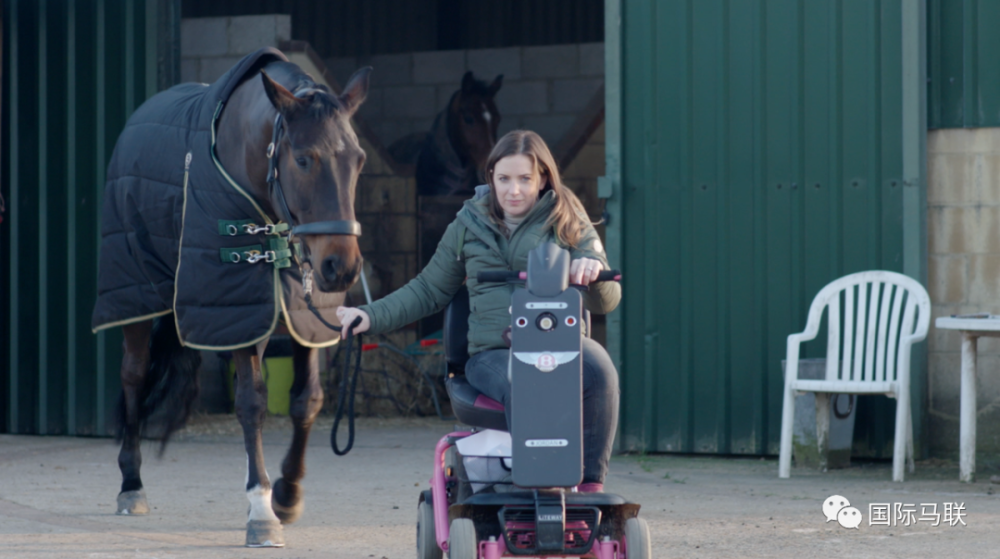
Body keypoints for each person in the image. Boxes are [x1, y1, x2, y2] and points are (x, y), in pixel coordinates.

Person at [336, 130, 621, 492]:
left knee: (601, 372)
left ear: (543, 178)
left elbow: (606, 300)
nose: (513, 191)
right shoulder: (467, 224)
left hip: (560, 344)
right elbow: (428, 289)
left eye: (524, 179)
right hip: (494, 354)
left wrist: (591, 271)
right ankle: (538, 483)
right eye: (503, 179)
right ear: (491, 178)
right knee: (526, 380)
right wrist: (370, 315)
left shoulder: (567, 217)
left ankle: (589, 489)